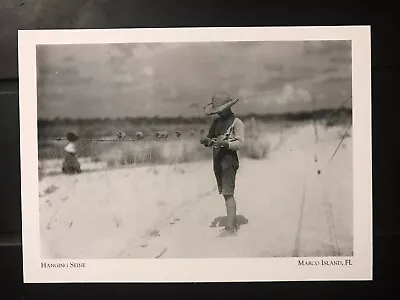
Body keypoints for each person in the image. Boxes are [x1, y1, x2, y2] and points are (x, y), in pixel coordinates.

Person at [200, 92, 245, 237]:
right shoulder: (217, 123)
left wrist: (225, 143)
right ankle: (231, 223)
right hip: (218, 159)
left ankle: (231, 228)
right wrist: (206, 141)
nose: (218, 114)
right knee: (224, 192)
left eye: (220, 110)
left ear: (228, 108)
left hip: (229, 160)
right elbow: (210, 139)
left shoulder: (236, 122)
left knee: (228, 192)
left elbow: (240, 143)